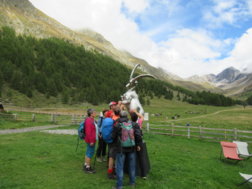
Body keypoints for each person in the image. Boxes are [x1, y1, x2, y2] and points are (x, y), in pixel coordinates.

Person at [112, 111, 142, 189]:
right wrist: (138, 144)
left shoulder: (117, 125)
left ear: (120, 116)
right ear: (127, 116)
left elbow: (113, 137)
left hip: (121, 149)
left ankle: (119, 186)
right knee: (132, 166)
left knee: (120, 167)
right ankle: (132, 183)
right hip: (132, 148)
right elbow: (138, 135)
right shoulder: (134, 124)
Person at [83, 109, 97, 174]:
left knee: (88, 151)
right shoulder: (89, 120)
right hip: (91, 140)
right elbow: (88, 132)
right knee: (90, 153)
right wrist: (91, 141)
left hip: (90, 139)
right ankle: (88, 168)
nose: (95, 113)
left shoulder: (91, 119)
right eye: (94, 112)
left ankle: (86, 165)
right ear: (91, 114)